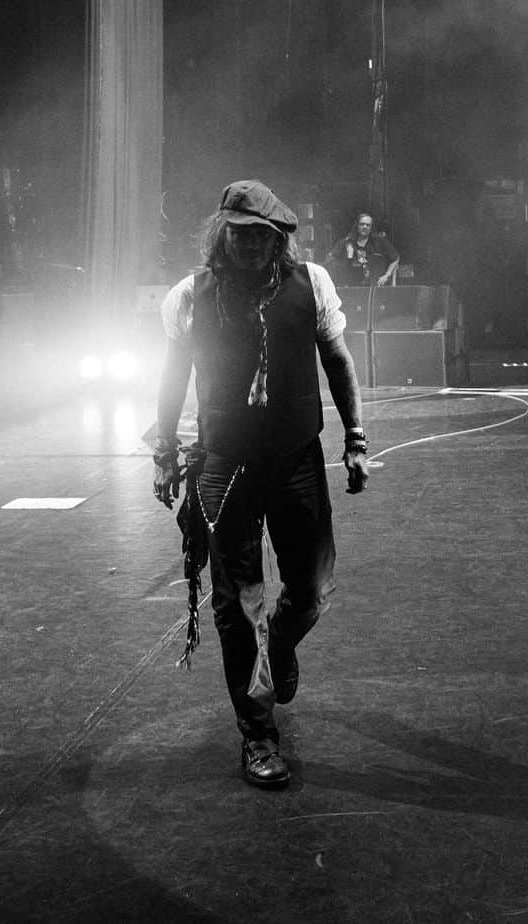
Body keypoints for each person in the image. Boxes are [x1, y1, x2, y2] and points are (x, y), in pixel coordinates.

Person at [152, 178, 370, 790]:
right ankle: (258, 735)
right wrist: (163, 453)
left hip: (297, 458)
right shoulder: (191, 296)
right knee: (236, 605)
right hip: (222, 466)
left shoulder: (312, 284)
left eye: (260, 236)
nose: (248, 245)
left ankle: (281, 644)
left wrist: (355, 439)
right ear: (222, 234)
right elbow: (171, 381)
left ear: (278, 239)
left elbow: (338, 363)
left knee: (312, 586)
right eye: (238, 234)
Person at [326, 212, 400, 287]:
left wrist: (387, 275)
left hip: (376, 285)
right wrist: (348, 257)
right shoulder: (346, 242)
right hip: (352, 286)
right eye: (362, 224)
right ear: (357, 226)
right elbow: (330, 259)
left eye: (368, 225)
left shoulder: (379, 241)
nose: (365, 227)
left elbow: (396, 258)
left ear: (371, 228)